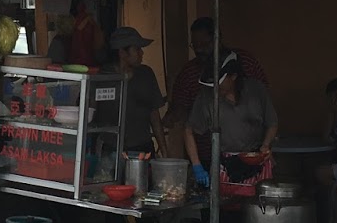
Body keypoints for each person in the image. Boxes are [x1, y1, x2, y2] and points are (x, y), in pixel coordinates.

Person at [184, 51, 278, 188]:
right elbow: (189, 130)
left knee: (259, 207)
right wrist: (197, 165)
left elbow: (272, 123)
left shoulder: (256, 90)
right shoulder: (206, 97)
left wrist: (266, 145)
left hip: (257, 160)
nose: (215, 89)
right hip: (225, 164)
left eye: (219, 84)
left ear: (233, 76)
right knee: (225, 206)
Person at [165, 17, 267, 129]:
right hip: (204, 144)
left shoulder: (245, 61)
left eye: (204, 44)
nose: (198, 50)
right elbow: (180, 107)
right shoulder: (188, 73)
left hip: (246, 140)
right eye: (195, 45)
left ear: (218, 39)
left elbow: (263, 97)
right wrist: (173, 116)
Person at [109, 26, 166, 155]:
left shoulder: (146, 74)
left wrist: (164, 152)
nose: (142, 53)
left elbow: (155, 117)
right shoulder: (103, 77)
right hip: (111, 149)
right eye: (137, 49)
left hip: (143, 149)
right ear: (122, 52)